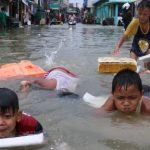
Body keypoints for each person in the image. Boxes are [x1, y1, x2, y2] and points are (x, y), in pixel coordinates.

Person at [113, 0, 150, 67]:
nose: (141, 16)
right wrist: (117, 47)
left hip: (148, 47)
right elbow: (125, 35)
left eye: (145, 15)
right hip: (135, 47)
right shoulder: (135, 22)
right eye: (140, 13)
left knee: (148, 67)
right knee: (132, 66)